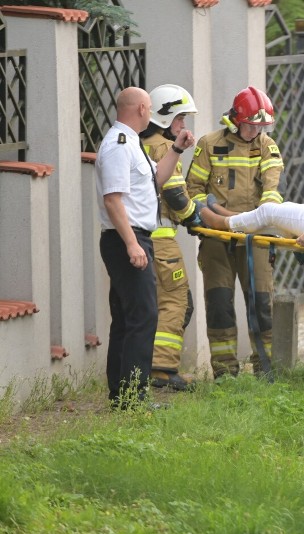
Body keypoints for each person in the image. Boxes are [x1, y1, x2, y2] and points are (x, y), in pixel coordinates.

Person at [95, 86, 195, 408]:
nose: (151, 113)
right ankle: (134, 397)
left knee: (127, 318)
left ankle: (122, 396)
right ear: (140, 109)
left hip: (135, 238)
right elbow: (113, 201)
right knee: (144, 316)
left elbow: (157, 180)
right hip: (127, 239)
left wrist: (177, 150)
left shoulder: (133, 145)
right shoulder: (118, 146)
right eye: (149, 107)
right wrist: (131, 244)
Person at [186, 86, 284, 378]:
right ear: (236, 119)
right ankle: (225, 375)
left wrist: (259, 215)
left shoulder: (267, 145)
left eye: (261, 126)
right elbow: (193, 191)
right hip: (217, 239)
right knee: (219, 306)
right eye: (251, 125)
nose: (256, 131)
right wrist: (218, 215)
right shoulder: (209, 144)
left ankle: (265, 371)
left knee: (262, 305)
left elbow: (271, 189)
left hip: (256, 238)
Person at [140, 84, 200, 391]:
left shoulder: (143, 143)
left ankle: (152, 365)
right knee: (176, 300)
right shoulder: (163, 148)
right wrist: (193, 215)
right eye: (180, 119)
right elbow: (175, 194)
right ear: (166, 117)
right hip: (162, 241)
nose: (183, 126)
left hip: (143, 238)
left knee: (154, 302)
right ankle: (163, 370)